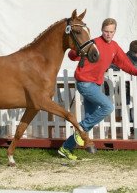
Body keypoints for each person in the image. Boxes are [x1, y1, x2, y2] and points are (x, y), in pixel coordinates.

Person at [58, 18, 137, 160]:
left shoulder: (114, 47)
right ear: (102, 30)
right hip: (85, 83)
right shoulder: (93, 43)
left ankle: (65, 148)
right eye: (106, 31)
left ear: (114, 32)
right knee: (108, 107)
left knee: (90, 118)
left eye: (111, 32)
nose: (108, 34)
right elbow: (71, 56)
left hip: (96, 85)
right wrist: (77, 52)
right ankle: (80, 129)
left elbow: (127, 65)